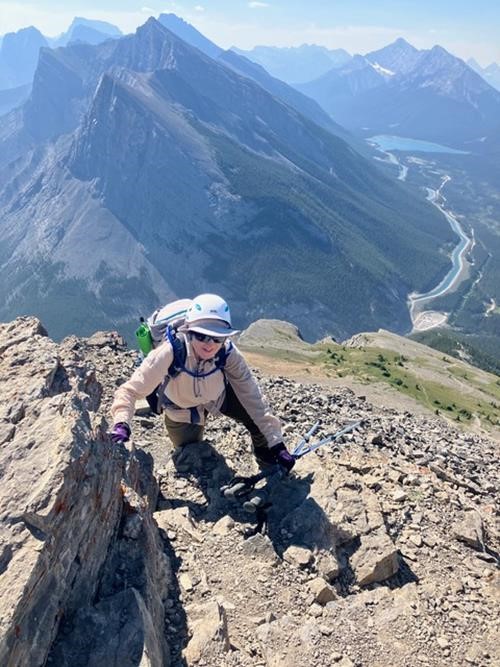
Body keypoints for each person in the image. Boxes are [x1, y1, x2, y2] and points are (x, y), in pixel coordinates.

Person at [109, 294, 295, 473]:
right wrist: (121, 423)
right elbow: (130, 391)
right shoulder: (171, 351)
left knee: (256, 421)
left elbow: (254, 398)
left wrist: (276, 443)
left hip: (217, 396)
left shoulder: (228, 353)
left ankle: (266, 457)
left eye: (218, 337)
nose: (210, 344)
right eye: (201, 335)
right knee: (190, 449)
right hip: (182, 407)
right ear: (189, 331)